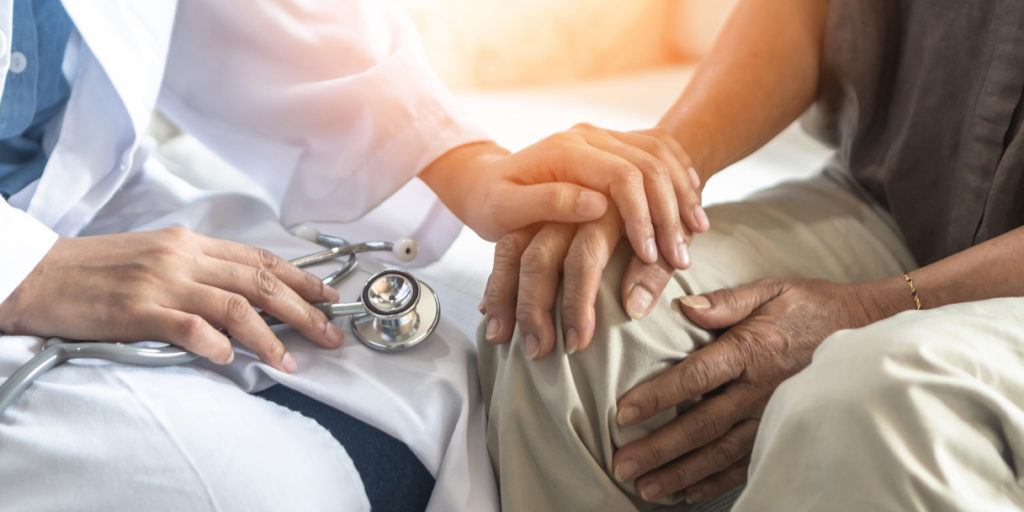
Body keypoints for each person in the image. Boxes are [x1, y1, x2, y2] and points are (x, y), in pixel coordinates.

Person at [0, 1, 706, 510]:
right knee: (246, 490)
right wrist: (29, 270)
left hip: (90, 191)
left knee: (461, 371)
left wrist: (465, 163)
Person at [479, 0, 1024, 510]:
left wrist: (871, 312)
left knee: (870, 406)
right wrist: (658, 173)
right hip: (898, 199)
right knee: (574, 305)